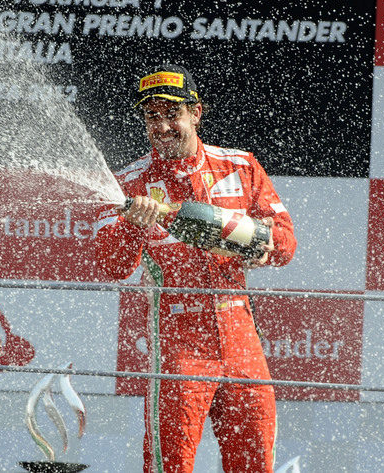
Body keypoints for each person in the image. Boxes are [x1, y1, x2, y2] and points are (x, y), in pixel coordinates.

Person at [93, 64, 297, 473]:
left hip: (241, 335)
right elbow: (109, 265)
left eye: (173, 114)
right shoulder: (126, 184)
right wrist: (134, 226)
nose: (163, 125)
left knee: (255, 460)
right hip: (177, 341)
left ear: (196, 113)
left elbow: (286, 243)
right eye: (153, 116)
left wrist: (258, 246)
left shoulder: (240, 165)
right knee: (171, 464)